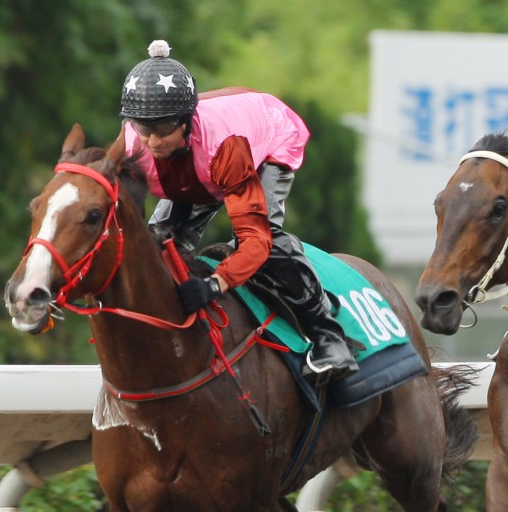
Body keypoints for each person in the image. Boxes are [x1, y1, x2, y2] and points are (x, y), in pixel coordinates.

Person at [119, 40, 357, 377]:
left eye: (163, 130)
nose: (153, 142)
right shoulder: (132, 141)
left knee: (268, 243)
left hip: (266, 140)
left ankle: (329, 338)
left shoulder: (225, 149)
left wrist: (215, 284)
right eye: (145, 130)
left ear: (185, 122)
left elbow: (254, 242)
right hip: (201, 162)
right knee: (158, 244)